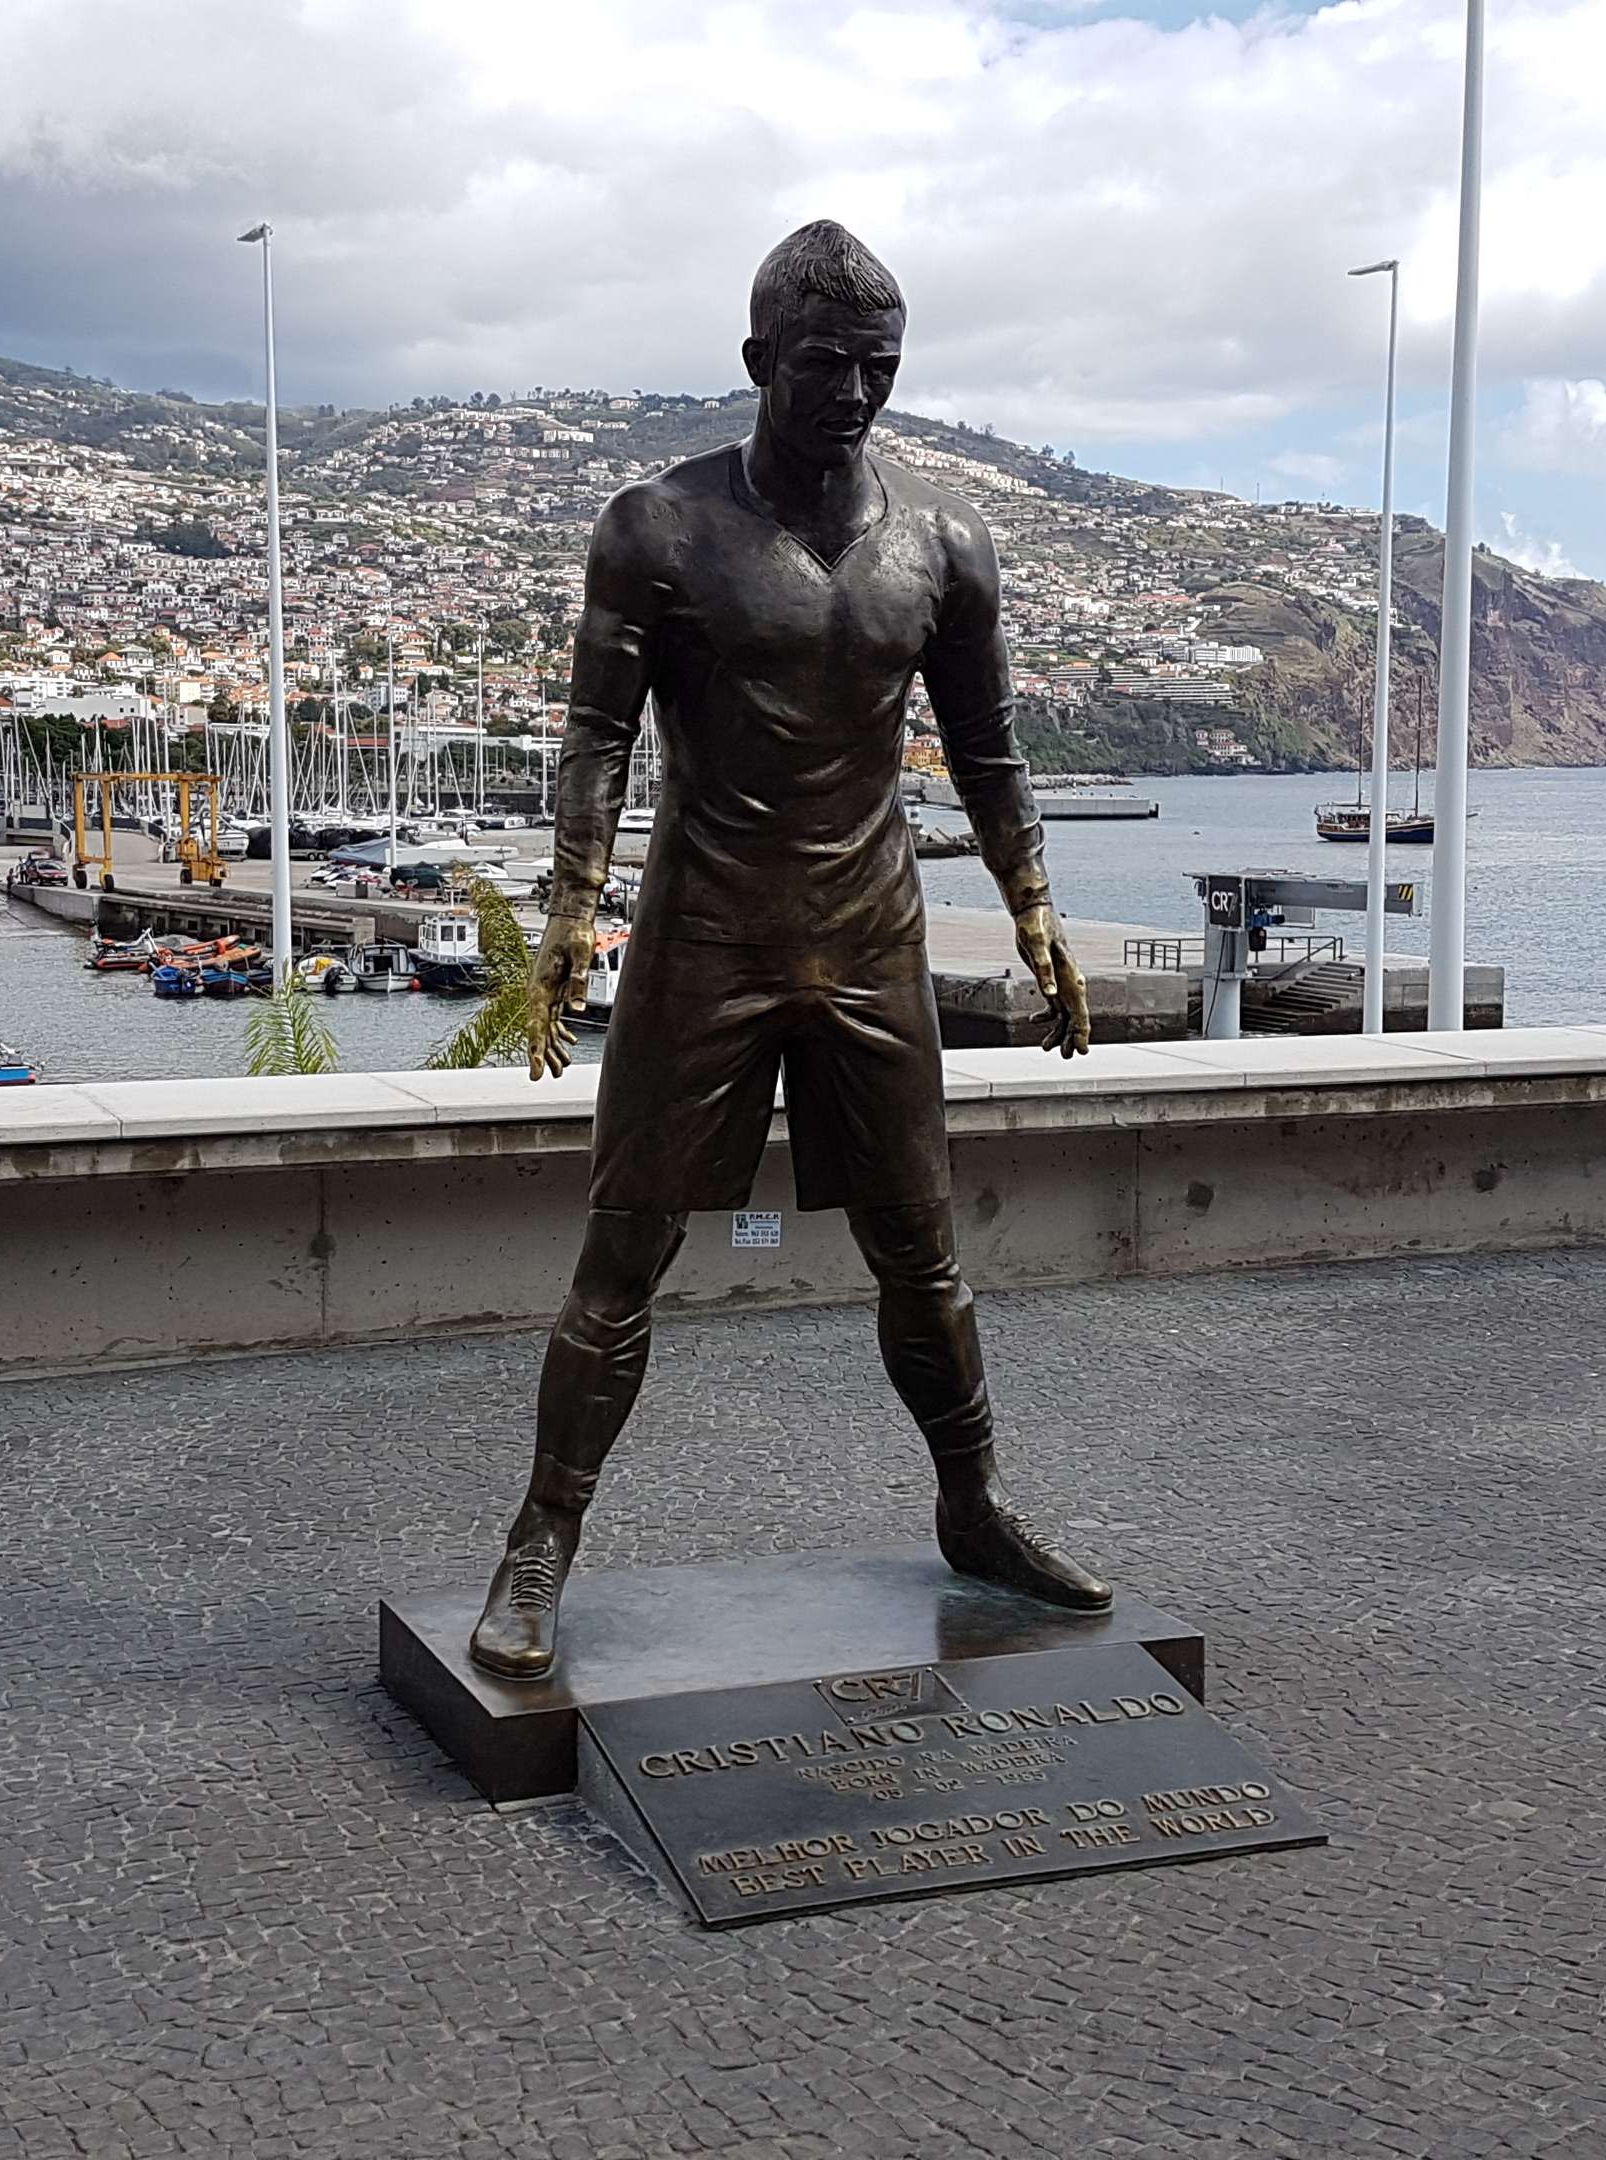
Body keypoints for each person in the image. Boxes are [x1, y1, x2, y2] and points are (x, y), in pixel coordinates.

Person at [467, 220, 1107, 1681]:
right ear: (760, 362)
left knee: (921, 1249)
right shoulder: (659, 527)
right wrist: (572, 909)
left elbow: (990, 753)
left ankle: (973, 1504)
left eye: (881, 368)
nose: (857, 394)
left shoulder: (946, 543)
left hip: (870, 935)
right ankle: (541, 1541)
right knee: (624, 1250)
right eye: (827, 365)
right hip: (705, 934)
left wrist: (1034, 907)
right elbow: (594, 743)